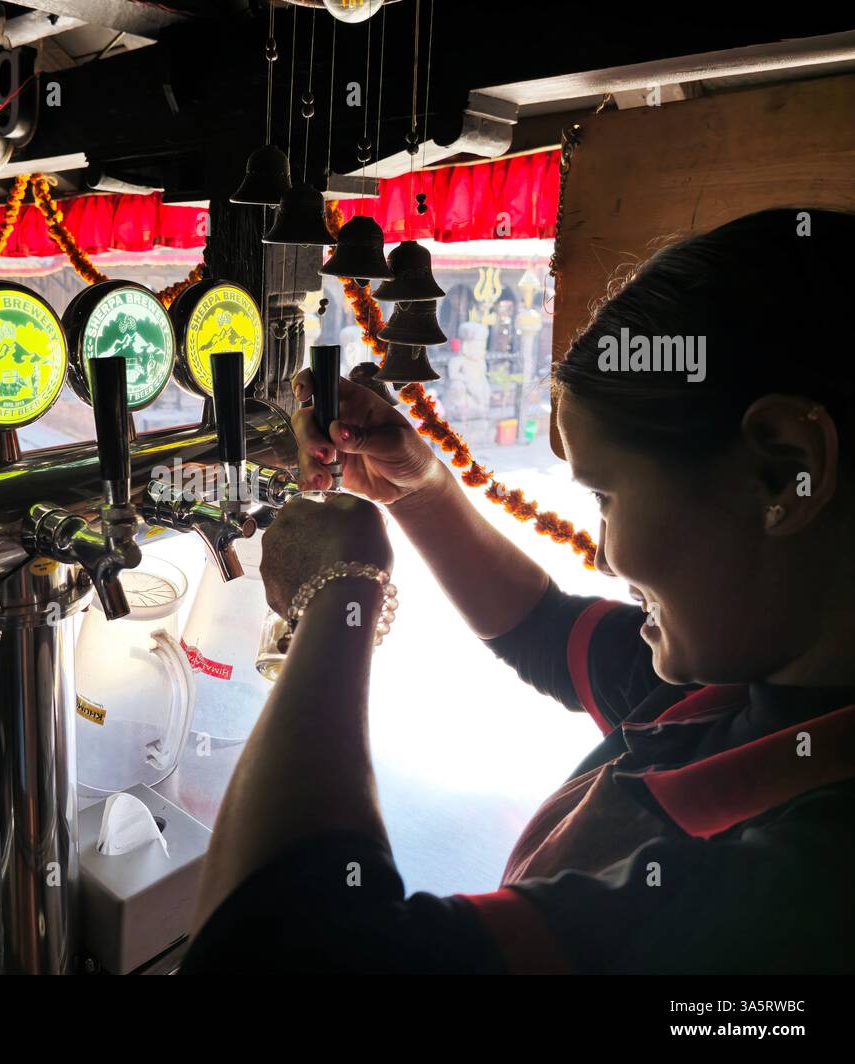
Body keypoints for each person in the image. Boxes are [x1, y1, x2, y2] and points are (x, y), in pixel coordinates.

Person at [181, 208, 855, 974]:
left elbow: (279, 950)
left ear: (782, 470)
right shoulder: (737, 691)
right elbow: (541, 629)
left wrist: (342, 591)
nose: (603, 556)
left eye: (606, 496)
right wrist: (421, 490)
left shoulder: (809, 887)